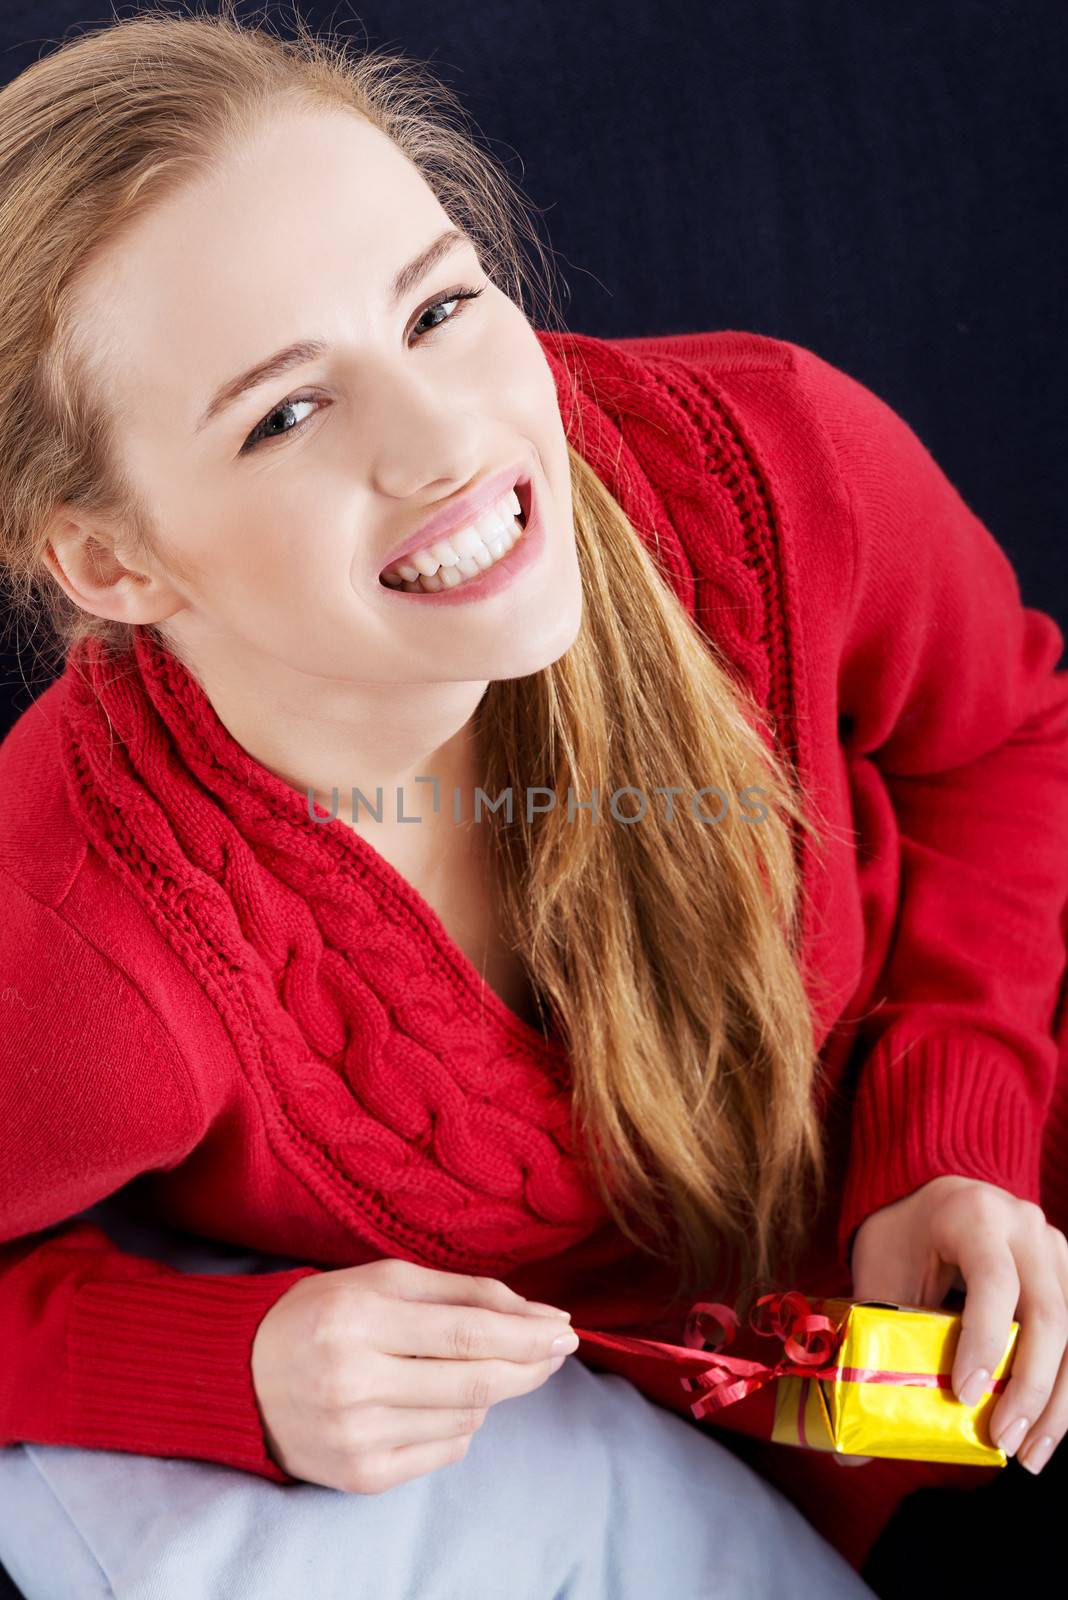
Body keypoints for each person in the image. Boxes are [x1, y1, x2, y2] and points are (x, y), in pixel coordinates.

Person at [0, 4, 1064, 1597]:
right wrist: (224, 1363)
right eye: (288, 413)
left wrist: (955, 1134)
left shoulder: (775, 463)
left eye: (436, 309)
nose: (448, 443)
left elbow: (1003, 737)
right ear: (110, 559)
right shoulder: (84, 949)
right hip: (705, 1491)